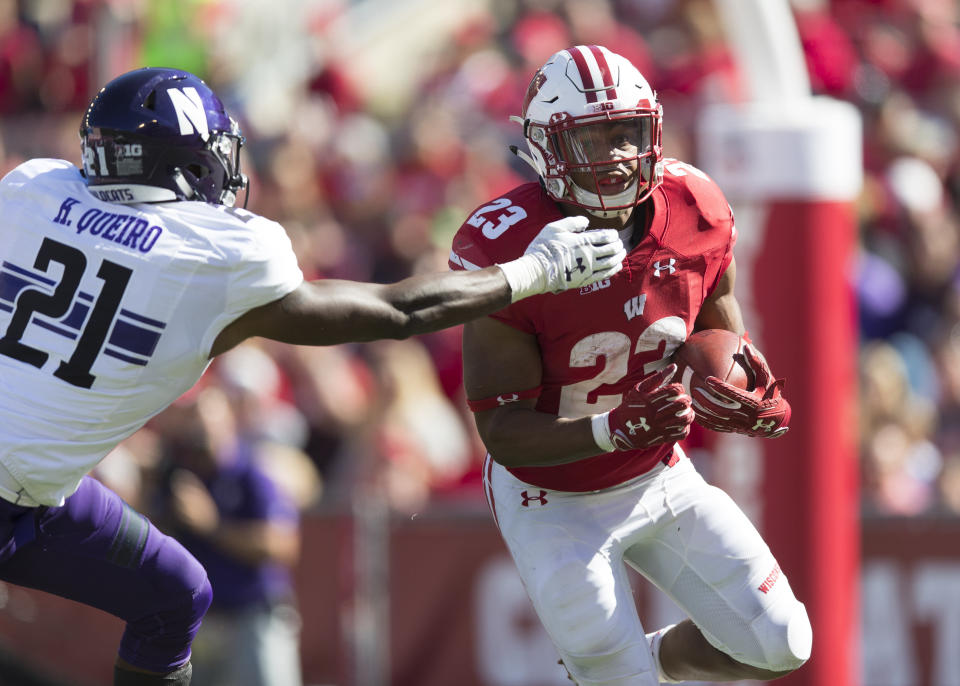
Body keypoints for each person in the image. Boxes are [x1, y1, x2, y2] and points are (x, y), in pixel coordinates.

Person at [0, 67, 625, 686]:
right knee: (173, 596)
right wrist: (531, 272)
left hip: (34, 490)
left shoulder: (33, 188)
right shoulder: (216, 257)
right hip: (20, 489)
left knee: (176, 592)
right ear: (184, 166)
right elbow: (398, 311)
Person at [450, 45, 810, 686]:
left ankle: (662, 659)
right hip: (548, 492)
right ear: (543, 148)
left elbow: (717, 324)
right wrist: (613, 427)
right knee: (616, 676)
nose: (616, 153)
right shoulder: (509, 245)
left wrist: (741, 381)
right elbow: (501, 430)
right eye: (593, 136)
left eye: (628, 132)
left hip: (656, 471)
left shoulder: (695, 206)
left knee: (784, 642)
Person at [151, 386, 306, 686]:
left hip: (252, 618)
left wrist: (212, 526)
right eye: (191, 417)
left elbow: (282, 544)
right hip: (198, 622)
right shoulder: (175, 474)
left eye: (205, 416)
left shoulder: (252, 472)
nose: (198, 426)